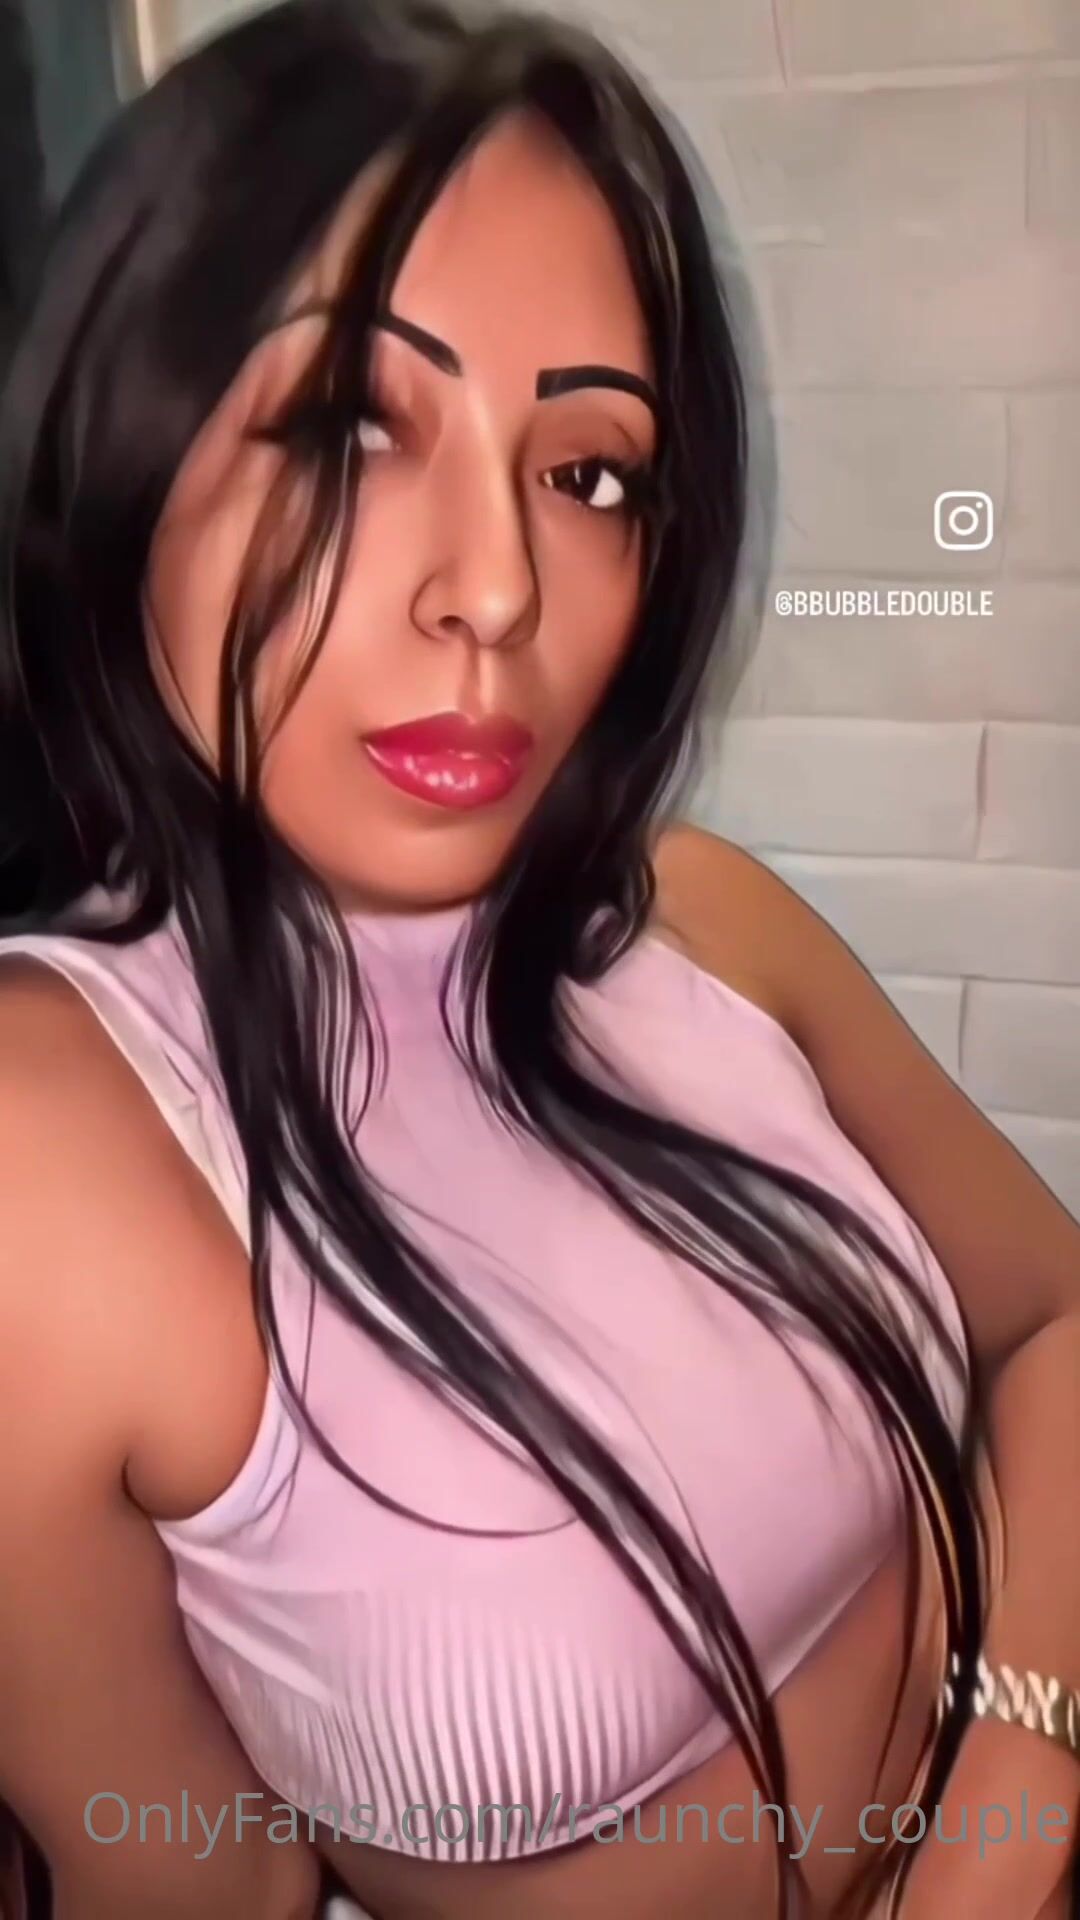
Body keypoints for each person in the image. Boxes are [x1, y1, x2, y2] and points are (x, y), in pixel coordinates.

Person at [0, 3, 1078, 1917]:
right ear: (120, 451)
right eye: (348, 428)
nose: (496, 588)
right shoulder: (50, 1149)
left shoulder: (692, 917)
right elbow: (196, 1890)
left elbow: (1057, 1319)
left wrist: (1019, 1780)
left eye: (590, 475)